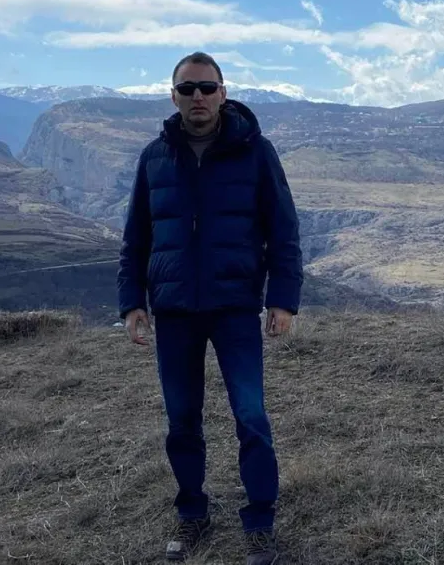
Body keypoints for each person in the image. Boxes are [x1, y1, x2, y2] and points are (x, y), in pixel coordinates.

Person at [116, 51, 303, 564]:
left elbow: (283, 230)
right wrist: (132, 301)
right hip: (174, 309)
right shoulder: (155, 157)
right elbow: (137, 237)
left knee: (251, 415)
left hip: (234, 306)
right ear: (173, 96)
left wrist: (283, 299)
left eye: (206, 88)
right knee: (181, 419)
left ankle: (260, 521)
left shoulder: (256, 152)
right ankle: (192, 512)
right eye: (187, 89)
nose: (197, 97)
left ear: (223, 93)